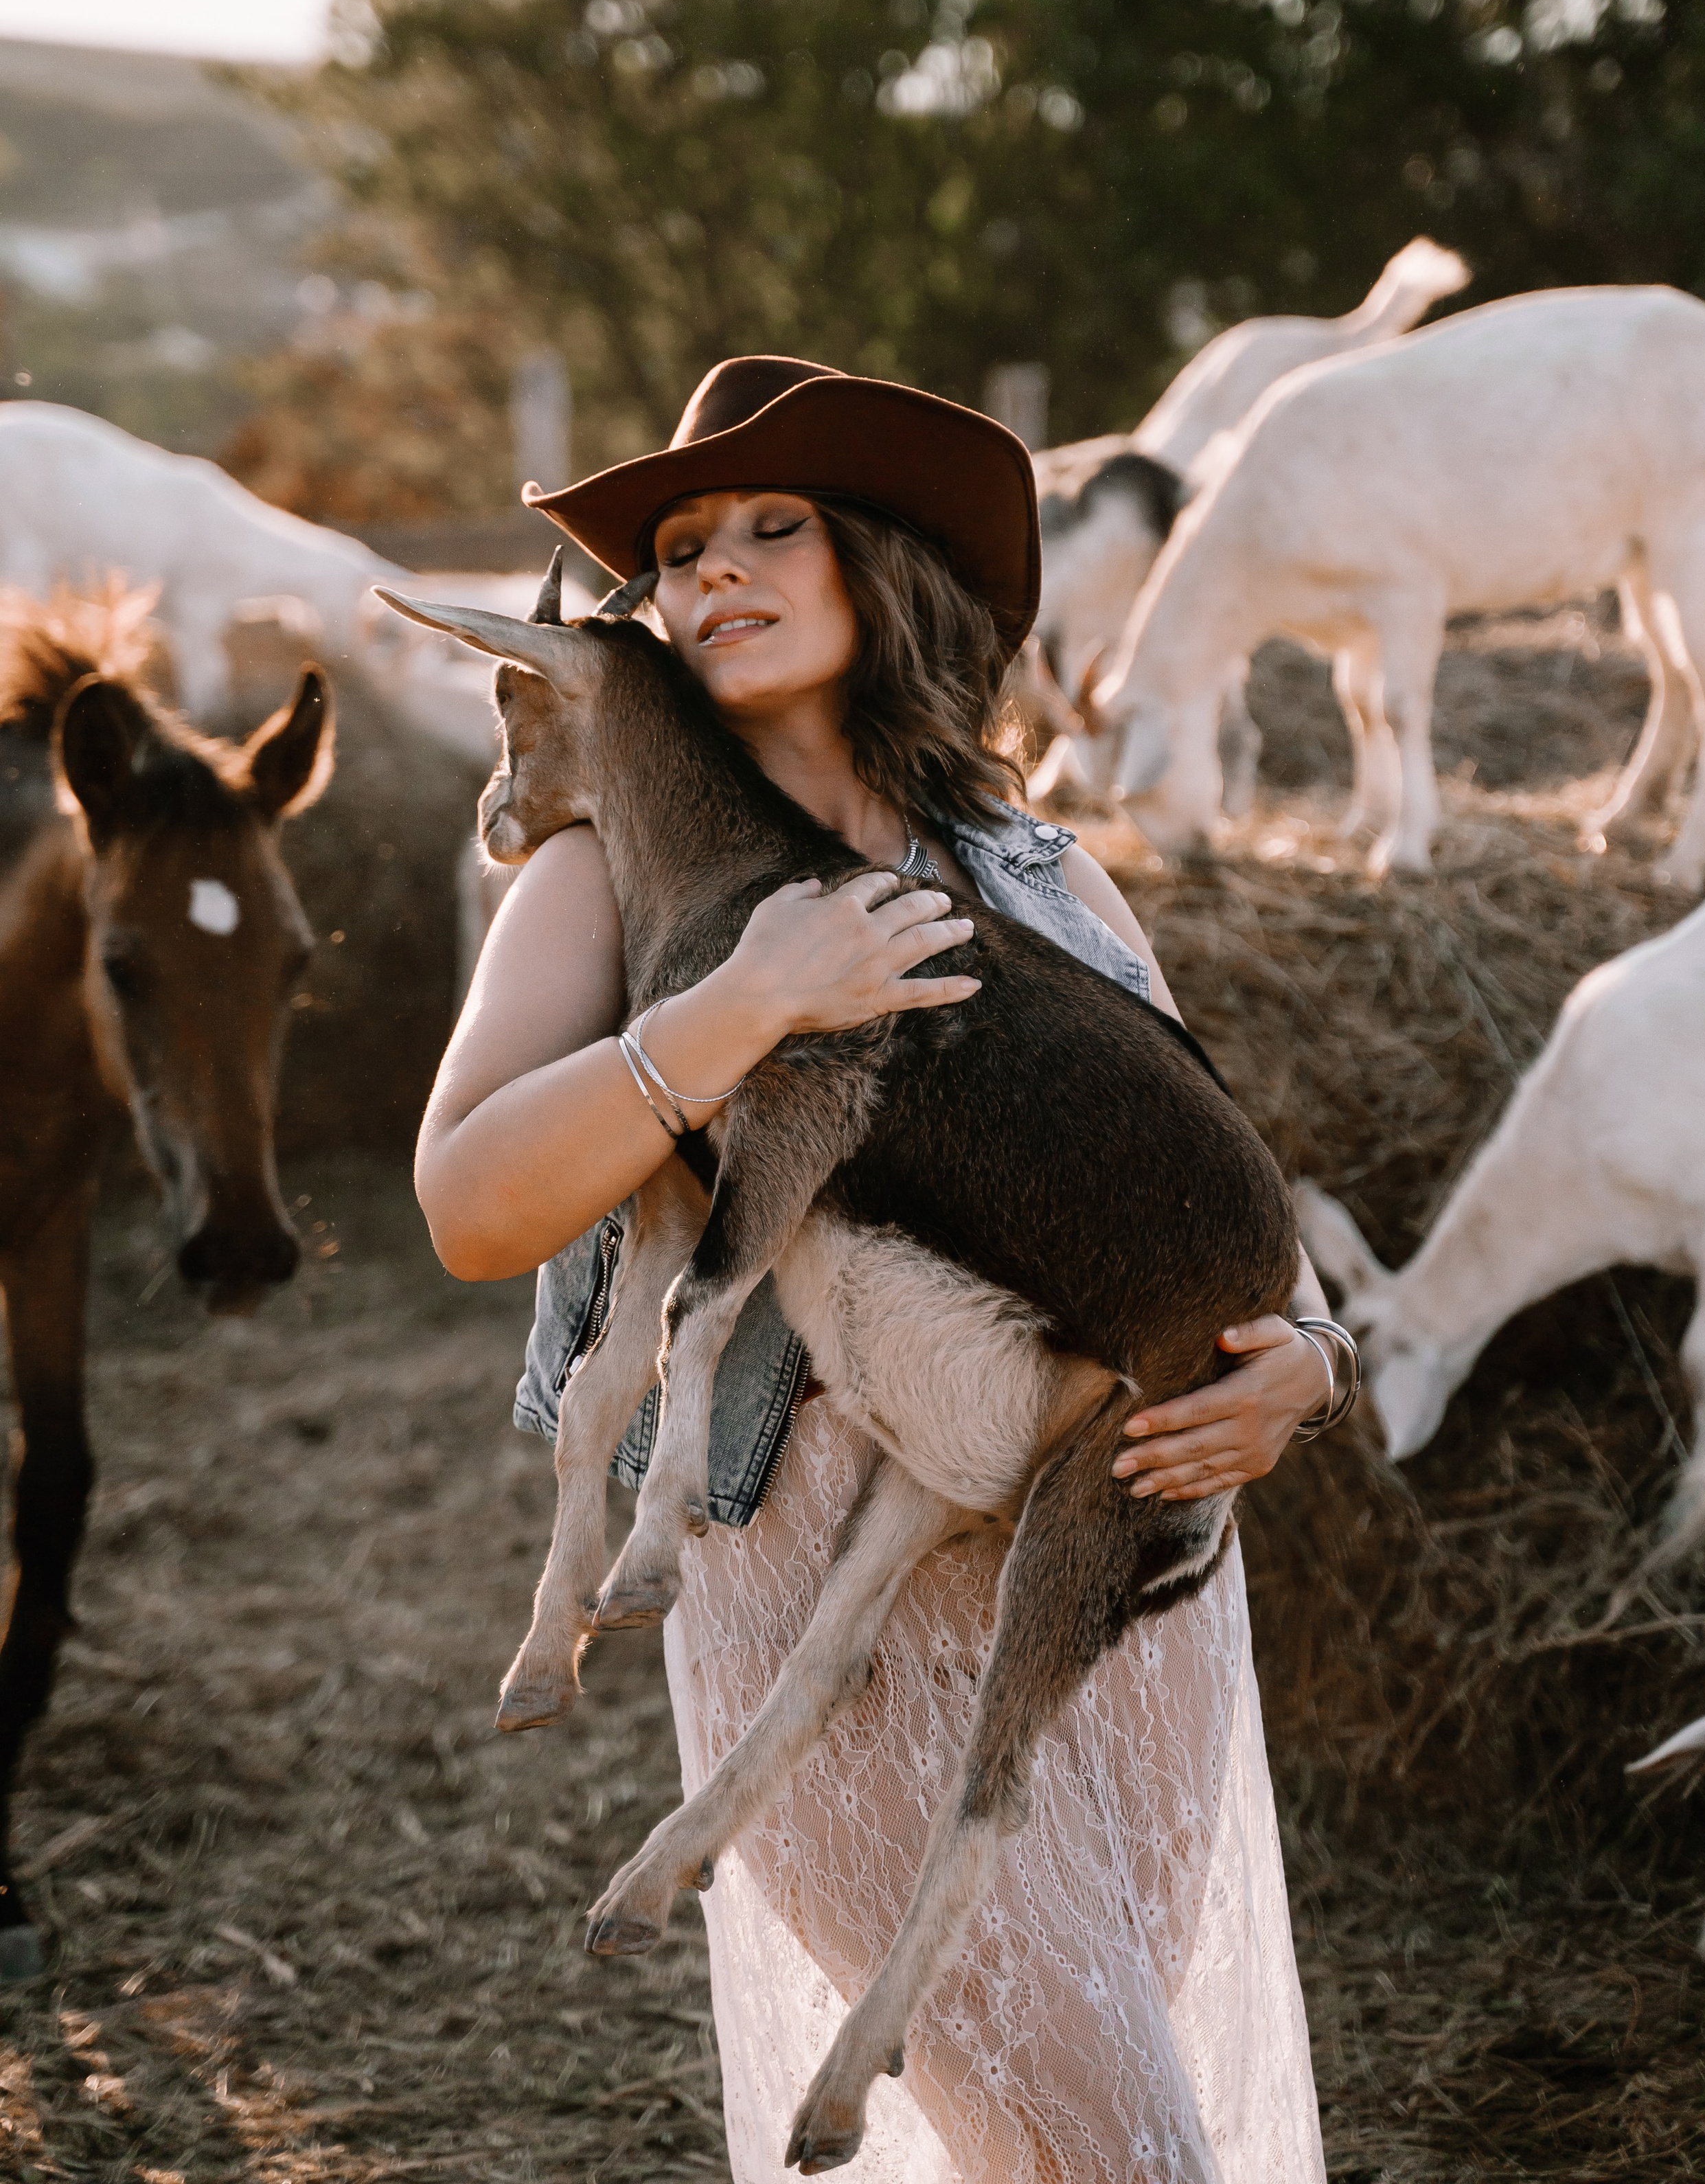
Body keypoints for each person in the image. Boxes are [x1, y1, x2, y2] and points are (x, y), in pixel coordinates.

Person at [415, 357, 1332, 2183]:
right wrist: (744, 1004)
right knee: (1122, 2148)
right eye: (683, 549)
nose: (719, 572)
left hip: (1117, 1596)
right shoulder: (600, 882)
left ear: (885, 568)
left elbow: (1203, 1177)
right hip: (824, 1617)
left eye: (778, 527)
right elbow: (465, 1202)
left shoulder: (1043, 868)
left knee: (1059, 2136)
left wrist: (1302, 1356)